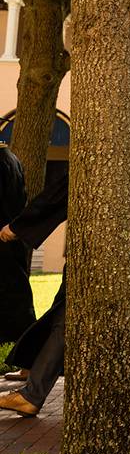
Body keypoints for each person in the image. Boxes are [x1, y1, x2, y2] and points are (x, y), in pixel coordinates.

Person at [0, 162, 130, 416]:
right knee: (109, 320)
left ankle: (32, 394)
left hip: (98, 258)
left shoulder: (94, 158)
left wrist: (19, 227)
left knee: (84, 320)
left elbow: (57, 195)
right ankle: (32, 393)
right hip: (119, 255)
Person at [0, 127, 33, 349]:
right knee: (17, 296)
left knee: (12, 298)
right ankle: (28, 358)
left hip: (2, 237)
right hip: (11, 237)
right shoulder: (12, 159)